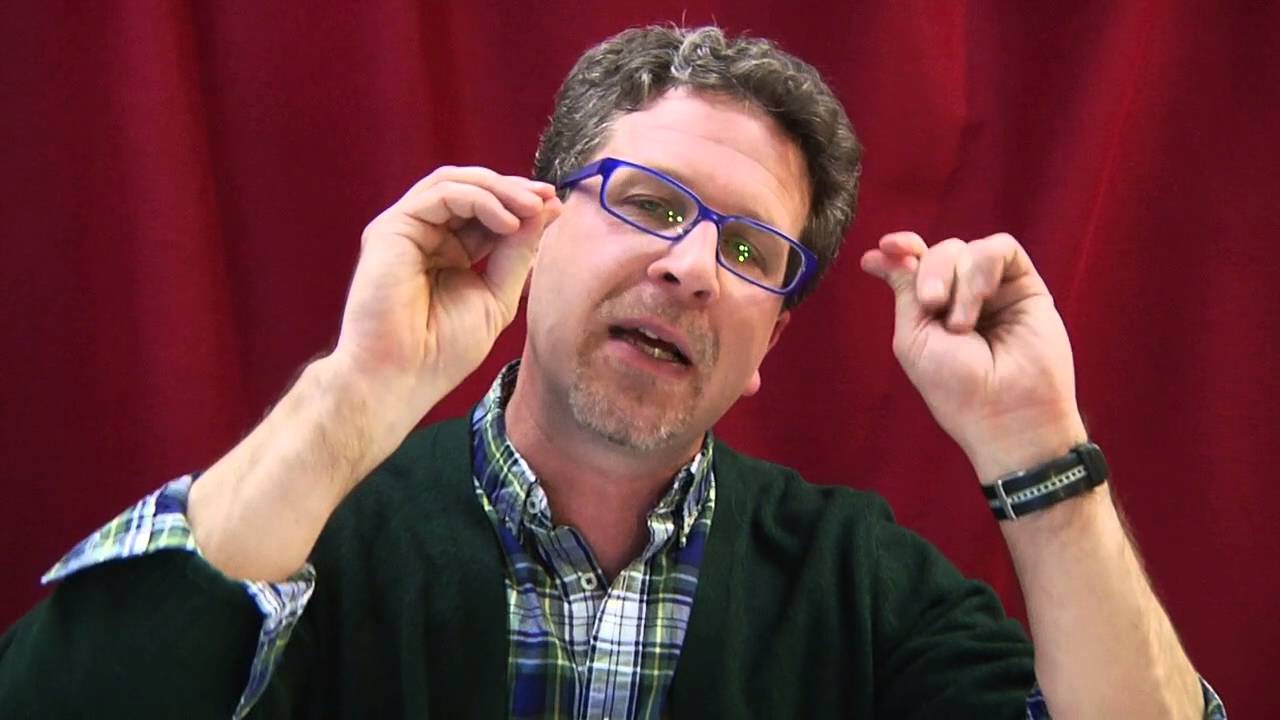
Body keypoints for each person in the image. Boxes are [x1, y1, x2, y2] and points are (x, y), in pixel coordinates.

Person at [0, 25, 1224, 719]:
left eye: (748, 250)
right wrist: (348, 399)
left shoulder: (862, 589)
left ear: (767, 346)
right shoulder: (305, 532)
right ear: (533, 231)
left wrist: (1036, 450)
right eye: (646, 202)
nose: (690, 268)